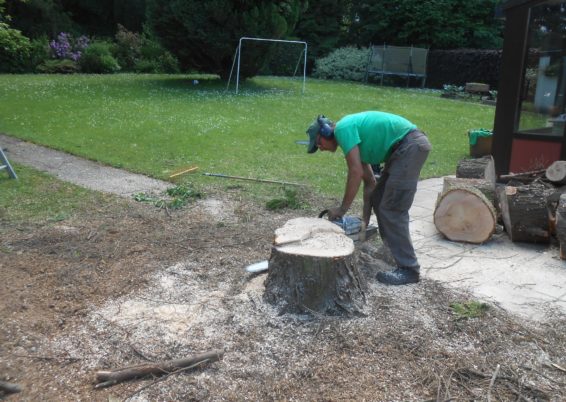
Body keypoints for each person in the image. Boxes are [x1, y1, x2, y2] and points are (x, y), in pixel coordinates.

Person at [306, 111, 431, 285]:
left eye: (318, 143)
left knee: (393, 209)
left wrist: (342, 210)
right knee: (380, 198)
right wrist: (364, 223)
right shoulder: (352, 142)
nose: (320, 148)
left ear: (326, 132)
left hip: (409, 147)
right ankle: (390, 252)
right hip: (402, 149)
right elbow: (371, 184)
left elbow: (355, 172)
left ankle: (409, 269)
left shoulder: (343, 129)